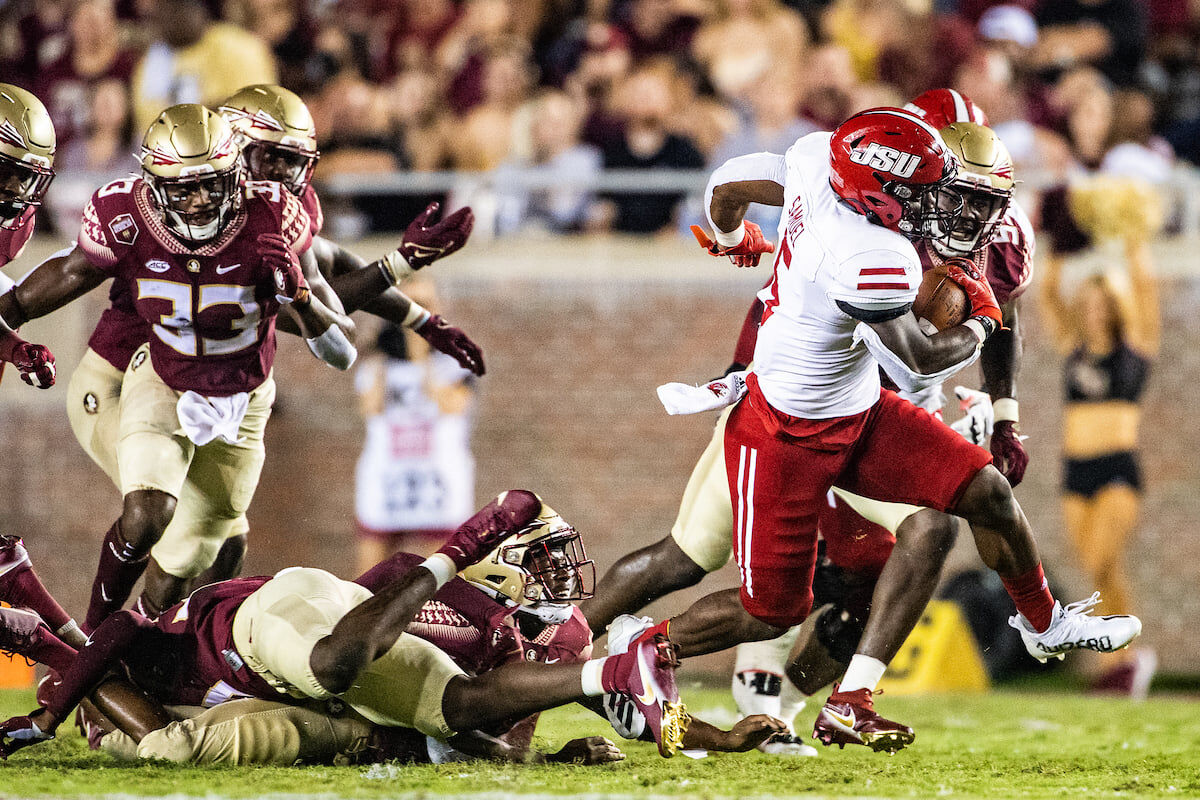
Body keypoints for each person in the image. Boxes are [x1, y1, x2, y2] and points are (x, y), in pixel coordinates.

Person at [609, 106, 1141, 752]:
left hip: (861, 407)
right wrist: (978, 315)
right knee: (759, 600)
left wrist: (728, 237)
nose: (933, 204)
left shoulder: (815, 161)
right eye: (920, 192)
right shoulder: (871, 257)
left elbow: (730, 181)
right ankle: (633, 651)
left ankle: (1042, 622)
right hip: (788, 431)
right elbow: (919, 353)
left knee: (985, 494)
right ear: (880, 196)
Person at [56, 84, 480, 618]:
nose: (283, 175)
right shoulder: (177, 201)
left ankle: (180, 662)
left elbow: (327, 276)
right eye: (271, 157)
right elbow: (303, 314)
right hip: (128, 376)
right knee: (176, 535)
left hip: (213, 386)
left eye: (292, 161)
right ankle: (103, 655)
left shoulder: (269, 207)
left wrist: (418, 315)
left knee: (226, 544)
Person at [57, 500, 780, 765]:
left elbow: (517, 735)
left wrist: (716, 737)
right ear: (492, 570)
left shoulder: (558, 637)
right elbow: (361, 671)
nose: (562, 580)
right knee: (439, 698)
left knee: (461, 711)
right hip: (296, 661)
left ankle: (619, 664)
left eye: (562, 562)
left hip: (323, 685)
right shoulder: (423, 594)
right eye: (541, 563)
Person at [0, 103, 358, 636]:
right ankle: (96, 648)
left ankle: (151, 661)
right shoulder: (127, 213)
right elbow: (49, 285)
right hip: (148, 376)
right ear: (151, 186)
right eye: (183, 188)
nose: (198, 201)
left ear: (236, 174)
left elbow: (341, 351)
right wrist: (7, 335)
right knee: (150, 514)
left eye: (212, 185)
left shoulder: (274, 215)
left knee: (207, 551)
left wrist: (299, 295)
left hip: (243, 399)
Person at [1038, 175, 1161, 698]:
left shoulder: (1135, 348)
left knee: (1102, 560)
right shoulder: (1072, 349)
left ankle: (1130, 657)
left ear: (1112, 306)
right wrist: (1065, 237)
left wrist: (1128, 235)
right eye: (1086, 303)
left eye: (1101, 302)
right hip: (1076, 469)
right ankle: (1125, 662)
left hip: (1116, 466)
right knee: (1095, 570)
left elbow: (1145, 288)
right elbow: (1047, 290)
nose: (1092, 310)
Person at [354, 281, 477, 572]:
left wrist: (421, 350)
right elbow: (371, 407)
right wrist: (388, 347)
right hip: (388, 477)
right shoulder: (377, 362)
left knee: (443, 573)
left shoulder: (456, 361)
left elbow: (451, 405)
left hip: (436, 479)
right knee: (368, 576)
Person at [0, 84, 58, 393]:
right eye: (3, 171)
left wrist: (17, 348)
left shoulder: (16, 223)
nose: (14, 190)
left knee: (7, 303)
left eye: (24, 177)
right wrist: (13, 347)